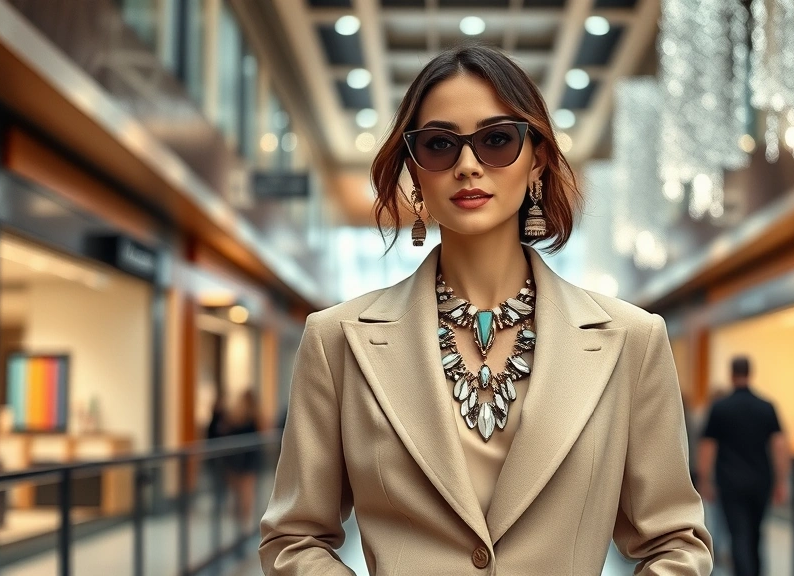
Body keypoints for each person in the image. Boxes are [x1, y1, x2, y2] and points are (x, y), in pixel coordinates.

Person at [260, 44, 712, 575]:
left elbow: (675, 542)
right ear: (414, 170)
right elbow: (294, 537)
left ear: (536, 158)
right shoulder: (336, 340)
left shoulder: (632, 340)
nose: (468, 166)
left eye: (497, 140)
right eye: (439, 145)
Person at [698, 357, 790, 576]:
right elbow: (780, 446)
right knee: (756, 534)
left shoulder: (720, 408)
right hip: (760, 481)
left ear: (731, 374)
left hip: (730, 482)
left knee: (738, 535)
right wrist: (781, 481)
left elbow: (707, 448)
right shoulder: (766, 407)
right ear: (750, 373)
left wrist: (704, 480)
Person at [227, 389, 263, 533]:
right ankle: (244, 521)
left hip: (239, 458)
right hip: (248, 457)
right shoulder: (254, 416)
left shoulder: (239, 415)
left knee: (240, 491)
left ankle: (242, 521)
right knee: (246, 490)